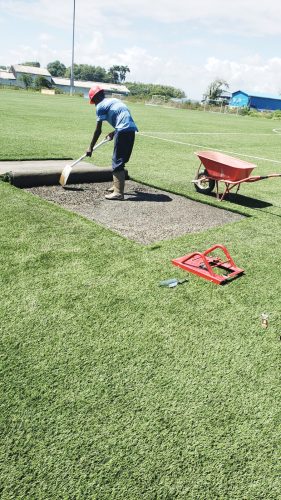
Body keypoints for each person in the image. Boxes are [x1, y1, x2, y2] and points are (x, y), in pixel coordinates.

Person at [86, 85, 138, 200]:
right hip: (131, 130)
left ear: (96, 98)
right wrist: (115, 133)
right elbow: (124, 118)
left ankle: (118, 193)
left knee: (117, 160)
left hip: (123, 130)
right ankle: (116, 185)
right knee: (121, 159)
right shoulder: (114, 100)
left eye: (93, 101)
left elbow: (98, 130)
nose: (94, 103)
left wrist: (90, 147)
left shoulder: (100, 106)